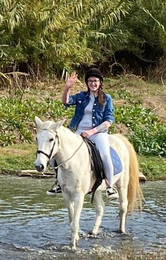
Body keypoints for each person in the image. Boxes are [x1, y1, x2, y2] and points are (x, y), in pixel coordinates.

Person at [48, 68, 117, 199]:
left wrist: (92, 131)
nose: (93, 83)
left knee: (104, 154)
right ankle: (58, 182)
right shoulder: (81, 96)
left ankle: (109, 186)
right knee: (56, 153)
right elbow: (66, 101)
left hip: (98, 132)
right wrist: (67, 88)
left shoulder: (107, 98)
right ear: (87, 83)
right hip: (79, 132)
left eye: (95, 81)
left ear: (100, 82)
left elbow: (109, 121)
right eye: (90, 81)